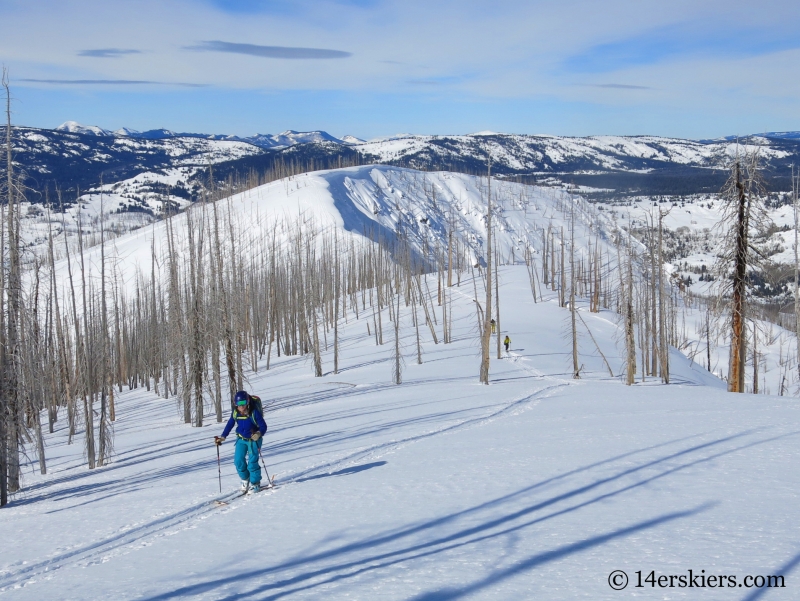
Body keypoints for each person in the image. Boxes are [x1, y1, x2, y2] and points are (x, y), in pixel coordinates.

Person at [215, 391, 268, 494]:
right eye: (238, 404)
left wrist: (259, 433)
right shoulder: (235, 413)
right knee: (238, 461)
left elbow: (263, 426)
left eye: (243, 403)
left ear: (247, 402)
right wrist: (223, 437)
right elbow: (230, 424)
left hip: (254, 440)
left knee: (252, 463)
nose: (241, 406)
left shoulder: (254, 412)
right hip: (241, 439)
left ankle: (255, 483)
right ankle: (245, 479)